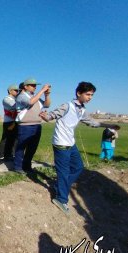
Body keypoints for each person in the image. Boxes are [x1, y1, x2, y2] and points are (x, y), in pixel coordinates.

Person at [40, 82, 120, 215]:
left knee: (78, 167)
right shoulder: (67, 105)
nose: (90, 97)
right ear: (79, 93)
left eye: (92, 95)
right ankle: (61, 199)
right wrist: (46, 116)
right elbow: (52, 115)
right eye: (88, 94)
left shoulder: (82, 110)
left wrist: (109, 124)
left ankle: (60, 186)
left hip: (71, 143)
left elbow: (92, 123)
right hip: (61, 144)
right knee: (63, 172)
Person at [13, 78, 51, 174]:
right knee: (21, 147)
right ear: (25, 86)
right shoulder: (21, 96)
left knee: (32, 148)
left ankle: (27, 166)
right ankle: (18, 167)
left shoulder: (35, 97)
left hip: (37, 125)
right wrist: (42, 90)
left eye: (35, 85)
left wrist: (47, 95)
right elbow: (30, 102)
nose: (35, 87)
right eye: (32, 85)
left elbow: (47, 105)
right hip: (25, 126)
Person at [0, 84, 19, 161]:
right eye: (16, 90)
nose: (17, 92)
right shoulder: (6, 99)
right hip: (8, 122)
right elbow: (14, 106)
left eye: (18, 90)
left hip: (15, 121)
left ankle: (10, 155)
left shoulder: (16, 99)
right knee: (6, 138)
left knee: (14, 139)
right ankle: (1, 155)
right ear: (10, 91)